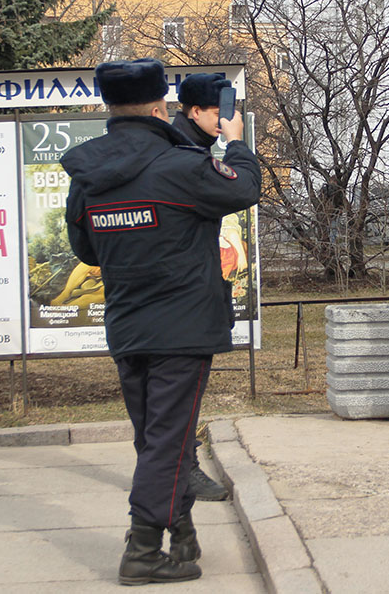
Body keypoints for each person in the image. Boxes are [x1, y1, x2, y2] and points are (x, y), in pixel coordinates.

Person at [62, 58, 260, 585]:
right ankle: (143, 549)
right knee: (168, 441)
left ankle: (183, 536)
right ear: (159, 107)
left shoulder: (88, 175)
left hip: (128, 323)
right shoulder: (181, 164)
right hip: (183, 325)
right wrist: (236, 142)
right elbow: (242, 189)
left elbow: (86, 247)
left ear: (110, 106)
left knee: (156, 438)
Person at [167, 72, 239, 502]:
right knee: (176, 398)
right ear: (195, 112)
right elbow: (243, 189)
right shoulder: (185, 153)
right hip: (183, 299)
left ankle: (171, 471)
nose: (227, 120)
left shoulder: (189, 145)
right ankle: (180, 474)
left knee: (165, 403)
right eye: (219, 112)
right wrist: (237, 145)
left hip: (180, 291)